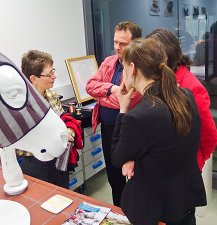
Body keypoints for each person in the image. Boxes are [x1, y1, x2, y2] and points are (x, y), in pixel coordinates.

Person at [111, 38, 206, 225]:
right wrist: (136, 157)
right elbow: (166, 145)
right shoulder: (186, 95)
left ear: (132, 68)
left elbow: (116, 157)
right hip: (184, 202)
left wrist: (123, 109)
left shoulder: (138, 117)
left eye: (123, 69)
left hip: (157, 210)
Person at [146, 28, 217, 171]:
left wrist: (195, 163)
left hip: (182, 169)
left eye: (149, 54)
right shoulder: (155, 80)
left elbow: (210, 137)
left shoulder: (191, 87)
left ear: (164, 56)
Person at [86, 21, 142, 206]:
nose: (117, 47)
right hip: (109, 130)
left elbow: (127, 100)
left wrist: (100, 97)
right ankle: (119, 212)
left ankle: (134, 213)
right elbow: (89, 86)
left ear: (134, 44)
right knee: (114, 178)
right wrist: (113, 89)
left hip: (131, 132)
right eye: (115, 41)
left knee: (135, 178)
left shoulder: (139, 67)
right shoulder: (109, 61)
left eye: (123, 43)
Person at [18, 50, 82, 189]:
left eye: (53, 71)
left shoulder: (52, 95)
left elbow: (62, 119)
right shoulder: (22, 103)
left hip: (58, 157)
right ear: (33, 78)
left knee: (62, 195)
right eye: (49, 74)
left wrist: (69, 131)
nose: (55, 76)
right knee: (42, 199)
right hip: (35, 162)